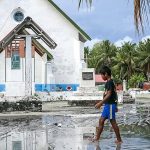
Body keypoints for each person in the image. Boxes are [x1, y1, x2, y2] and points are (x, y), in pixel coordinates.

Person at [93, 66, 122, 144]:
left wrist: (100, 103)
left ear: (105, 74)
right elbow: (115, 94)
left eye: (102, 75)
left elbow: (109, 95)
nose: (101, 77)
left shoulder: (109, 82)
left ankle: (119, 140)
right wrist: (116, 104)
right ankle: (97, 138)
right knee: (101, 121)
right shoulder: (110, 82)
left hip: (109, 105)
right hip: (108, 105)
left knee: (113, 122)